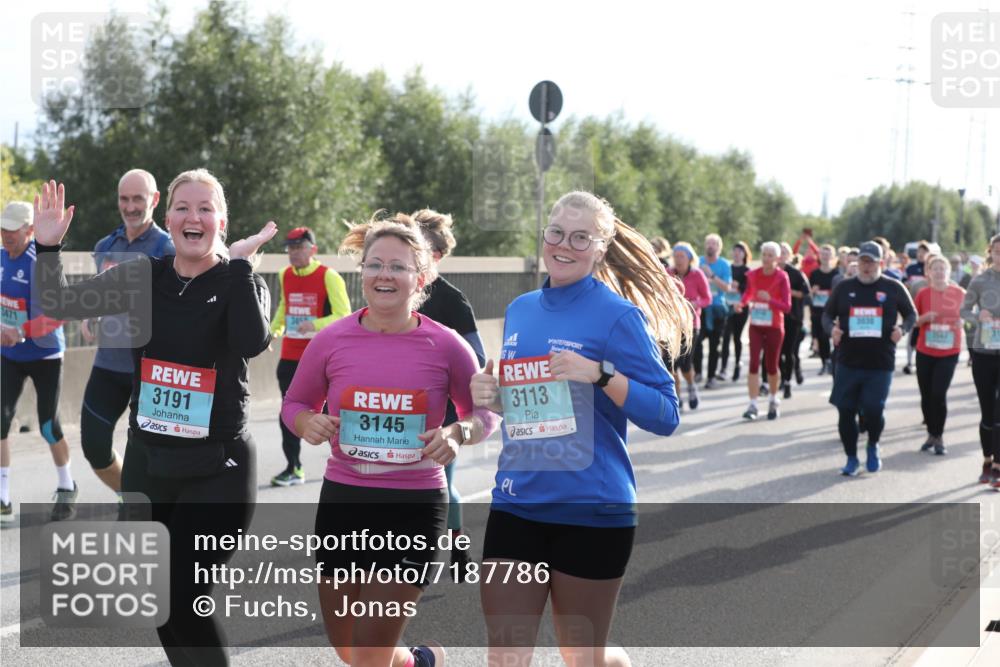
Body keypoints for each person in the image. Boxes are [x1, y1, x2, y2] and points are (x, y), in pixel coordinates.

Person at [33, 173, 276, 665]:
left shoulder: (241, 280)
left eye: (205, 209)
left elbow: (253, 342)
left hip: (218, 469)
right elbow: (60, 303)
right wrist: (47, 246)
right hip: (150, 463)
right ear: (167, 219)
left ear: (221, 222)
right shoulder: (144, 275)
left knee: (185, 591)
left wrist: (241, 266)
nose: (193, 218)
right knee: (161, 601)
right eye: (183, 208)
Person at [469, 191, 688, 667]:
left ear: (601, 247)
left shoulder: (619, 317)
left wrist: (601, 374)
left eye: (580, 237)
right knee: (505, 656)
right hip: (518, 501)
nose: (564, 245)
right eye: (556, 233)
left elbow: (666, 414)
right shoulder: (521, 309)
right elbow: (532, 412)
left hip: (592, 511)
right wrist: (495, 396)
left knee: (582, 657)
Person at [281, 213, 496, 667]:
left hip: (413, 507)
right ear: (362, 272)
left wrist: (459, 433)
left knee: (368, 655)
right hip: (344, 499)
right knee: (348, 649)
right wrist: (306, 424)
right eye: (374, 264)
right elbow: (294, 404)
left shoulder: (446, 344)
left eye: (397, 266)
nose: (384, 275)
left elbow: (483, 413)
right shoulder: (331, 339)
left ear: (421, 277)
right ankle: (418, 663)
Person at [79, 169, 174, 495]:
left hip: (147, 373)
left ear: (155, 200)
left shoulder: (168, 248)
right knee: (94, 446)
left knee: (146, 459)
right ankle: (128, 495)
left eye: (138, 198)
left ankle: (143, 509)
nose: (131, 206)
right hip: (107, 366)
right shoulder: (105, 246)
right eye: (124, 198)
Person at [413, 207, 487, 581]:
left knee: (441, 486)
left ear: (436, 256)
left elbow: (479, 359)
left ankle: (458, 546)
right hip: (397, 412)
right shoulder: (393, 289)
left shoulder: (453, 302)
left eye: (419, 246)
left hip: (442, 417)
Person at [1, 200, 75, 523]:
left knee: (47, 425)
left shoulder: (39, 263)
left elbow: (60, 314)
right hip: (10, 354)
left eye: (12, 231)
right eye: (2, 229)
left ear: (30, 231)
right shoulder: (1, 258)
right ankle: (2, 498)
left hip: (45, 354)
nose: (5, 236)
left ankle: (66, 484)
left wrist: (21, 329)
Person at [824, 242, 915, 476]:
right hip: (847, 361)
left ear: (880, 263)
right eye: (863, 261)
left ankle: (873, 444)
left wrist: (902, 330)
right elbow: (826, 314)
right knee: (845, 411)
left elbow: (911, 314)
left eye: (871, 262)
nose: (866, 266)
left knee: (874, 410)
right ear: (857, 263)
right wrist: (831, 331)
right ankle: (851, 458)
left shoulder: (893, 287)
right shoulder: (844, 288)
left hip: (880, 362)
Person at [269, 226, 350, 487]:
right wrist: (273, 331)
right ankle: (293, 467)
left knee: (332, 415)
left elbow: (343, 316)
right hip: (290, 357)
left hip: (322, 360)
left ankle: (350, 464)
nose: (292, 253)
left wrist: (314, 324)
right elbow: (285, 307)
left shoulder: (329, 276)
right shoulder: (285, 275)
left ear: (312, 250)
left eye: (298, 248)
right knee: (288, 413)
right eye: (289, 248)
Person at [914, 255, 965, 456]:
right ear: (928, 272)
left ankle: (939, 435)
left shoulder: (959, 293)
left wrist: (964, 322)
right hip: (925, 350)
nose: (939, 272)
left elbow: (971, 315)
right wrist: (924, 318)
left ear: (948, 272)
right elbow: (912, 320)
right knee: (926, 395)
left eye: (942, 268)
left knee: (938, 393)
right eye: (935, 268)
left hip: (949, 350)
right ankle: (930, 433)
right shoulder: (923, 293)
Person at [960, 235, 1000, 488]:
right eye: (998, 251)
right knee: (987, 412)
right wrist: (978, 317)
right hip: (984, 352)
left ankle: (998, 465)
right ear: (991, 253)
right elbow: (963, 311)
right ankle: (987, 461)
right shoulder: (980, 280)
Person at [734, 242, 790, 421]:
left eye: (770, 256)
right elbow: (749, 293)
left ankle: (773, 399)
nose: (766, 259)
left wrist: (770, 300)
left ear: (777, 258)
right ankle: (753, 404)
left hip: (774, 326)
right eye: (764, 255)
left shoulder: (782, 277)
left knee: (771, 365)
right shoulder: (753, 274)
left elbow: (787, 307)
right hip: (756, 325)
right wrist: (741, 304)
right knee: (753, 364)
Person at [669, 242, 711, 410]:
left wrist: (695, 303)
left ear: (689, 258)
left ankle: (691, 385)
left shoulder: (698, 275)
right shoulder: (668, 274)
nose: (678, 260)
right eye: (676, 256)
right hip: (671, 326)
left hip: (691, 325)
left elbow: (708, 299)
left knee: (685, 364)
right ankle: (677, 397)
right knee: (671, 364)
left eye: (682, 256)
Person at [694, 233, 732, 388]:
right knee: (696, 342)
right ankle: (697, 372)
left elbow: (727, 288)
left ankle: (711, 377)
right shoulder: (698, 262)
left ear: (719, 247)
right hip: (701, 309)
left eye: (713, 244)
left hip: (717, 309)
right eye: (708, 243)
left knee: (715, 345)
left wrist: (712, 276)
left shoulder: (724, 264)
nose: (710, 246)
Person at [778, 242, 810, 397]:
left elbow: (806, 293)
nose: (781, 255)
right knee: (777, 352)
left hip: (793, 317)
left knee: (790, 351)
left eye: (784, 252)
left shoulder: (796, 273)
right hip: (775, 317)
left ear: (789, 256)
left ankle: (788, 380)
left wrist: (787, 292)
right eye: (779, 252)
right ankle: (781, 377)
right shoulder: (771, 272)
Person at [720, 241, 751, 382]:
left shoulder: (747, 270)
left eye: (740, 251)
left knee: (737, 337)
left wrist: (740, 287)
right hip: (727, 306)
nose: (737, 253)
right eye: (735, 250)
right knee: (726, 337)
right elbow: (723, 284)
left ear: (744, 254)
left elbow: (750, 290)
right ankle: (723, 368)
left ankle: (738, 365)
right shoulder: (728, 267)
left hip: (741, 308)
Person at [809, 244, 838, 375]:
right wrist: (813, 291)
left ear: (832, 256)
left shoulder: (836, 273)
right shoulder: (814, 274)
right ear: (819, 256)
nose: (825, 257)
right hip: (817, 310)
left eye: (828, 254)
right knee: (821, 337)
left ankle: (833, 360)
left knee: (832, 336)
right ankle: (824, 362)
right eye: (823, 254)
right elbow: (808, 293)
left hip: (832, 311)